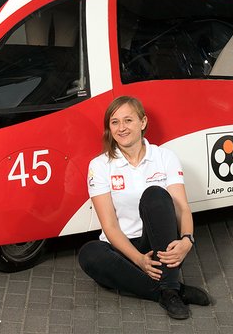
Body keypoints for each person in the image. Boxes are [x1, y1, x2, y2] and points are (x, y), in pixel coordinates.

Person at [78, 96, 210, 320]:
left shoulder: (164, 157)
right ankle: (170, 290)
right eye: (115, 122)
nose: (121, 128)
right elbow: (109, 226)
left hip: (160, 244)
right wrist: (138, 259)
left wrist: (188, 240)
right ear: (109, 128)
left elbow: (182, 209)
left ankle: (166, 287)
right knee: (89, 254)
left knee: (155, 195)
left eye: (128, 120)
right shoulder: (99, 166)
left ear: (143, 122)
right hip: (123, 247)